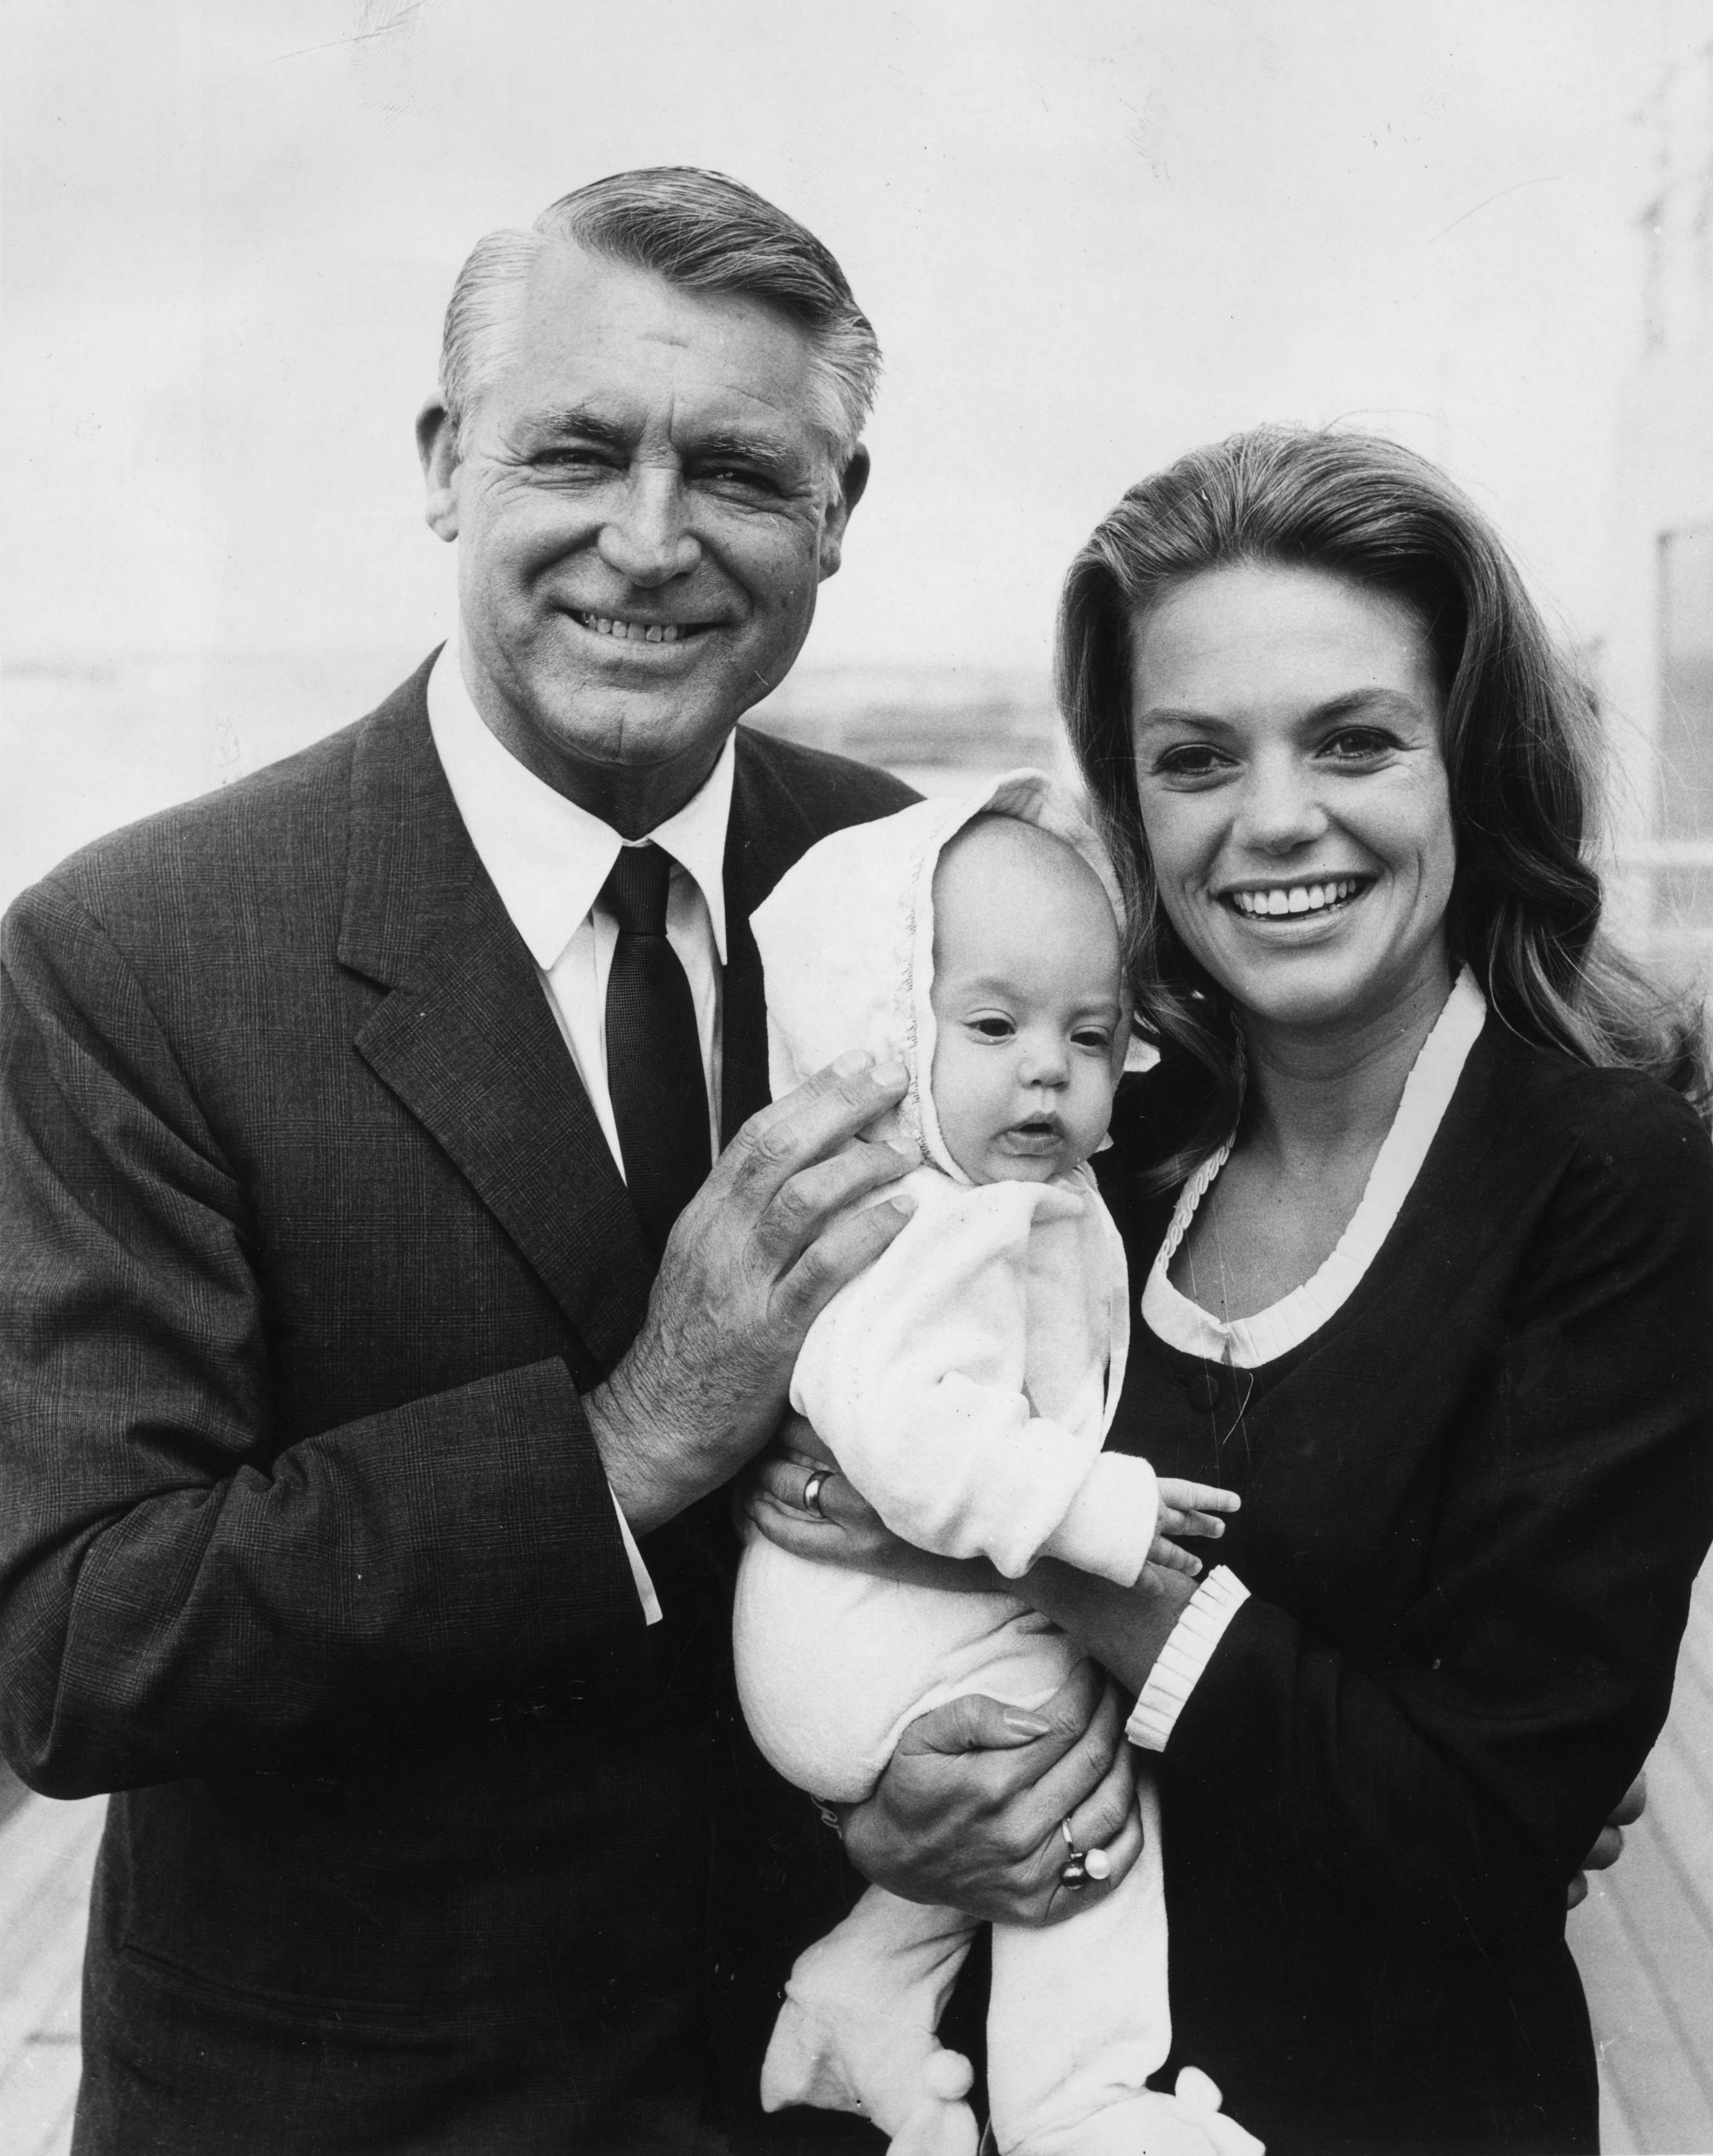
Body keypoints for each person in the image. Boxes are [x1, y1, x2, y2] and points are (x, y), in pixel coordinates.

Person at [0, 170, 1146, 2155]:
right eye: (578, 449)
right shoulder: (137, 952)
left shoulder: (933, 891)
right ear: (447, 467)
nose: (650, 538)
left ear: (839, 514)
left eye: (736, 468)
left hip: (842, 2082)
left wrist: (1447, 1700)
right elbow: (78, 1632)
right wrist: (623, 1440)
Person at [750, 426, 1713, 2156]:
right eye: (1197, 758)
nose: (1275, 818)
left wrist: (1054, 1548)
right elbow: (854, 1525)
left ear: (1469, 763)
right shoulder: (1102, 1150)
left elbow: (1492, 1822)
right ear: (1128, 804)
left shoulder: (1609, 1183)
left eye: (1353, 739)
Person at [736, 776, 1252, 2156]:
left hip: (876, 1646)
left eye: (1091, 1035)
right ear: (886, 1034)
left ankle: (856, 1991)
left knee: (1028, 1780)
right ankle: (1076, 2104)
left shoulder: (1016, 1195)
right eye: (990, 1027)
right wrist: (1083, 1504)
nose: (1049, 1068)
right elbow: (899, 1427)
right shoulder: (918, 1219)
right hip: (866, 1645)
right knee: (1089, 1784)